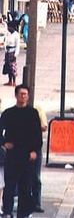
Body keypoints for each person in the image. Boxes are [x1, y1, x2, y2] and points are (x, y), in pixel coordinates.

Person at [1, 85, 42, 218]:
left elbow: (37, 135)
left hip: (27, 155)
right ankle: (7, 211)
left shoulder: (33, 113)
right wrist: (3, 143)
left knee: (26, 186)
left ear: (28, 96)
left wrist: (35, 151)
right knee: (10, 186)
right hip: (12, 156)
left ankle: (22, 213)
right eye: (21, 94)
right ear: (16, 95)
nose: (23, 97)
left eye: (25, 94)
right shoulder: (8, 113)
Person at [31, 105, 47, 213]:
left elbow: (44, 127)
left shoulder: (38, 109)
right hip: (20, 148)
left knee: (35, 177)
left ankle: (36, 203)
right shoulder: (14, 111)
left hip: (35, 147)